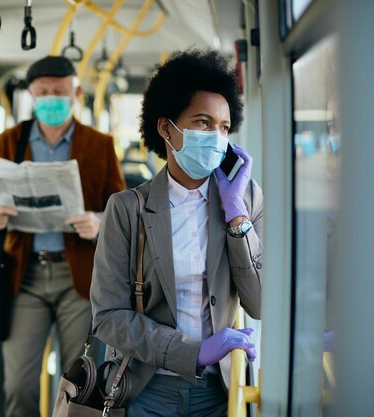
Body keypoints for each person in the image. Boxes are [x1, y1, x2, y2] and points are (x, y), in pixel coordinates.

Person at [90, 48, 264, 416]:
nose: (216, 137)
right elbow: (107, 316)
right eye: (202, 122)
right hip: (146, 388)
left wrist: (236, 216)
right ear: (166, 128)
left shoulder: (245, 200)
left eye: (223, 127)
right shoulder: (127, 209)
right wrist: (192, 351)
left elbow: (262, 301)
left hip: (220, 390)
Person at [0, 55, 126, 417]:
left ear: (75, 92)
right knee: (18, 385)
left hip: (78, 278)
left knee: (79, 386)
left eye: (58, 92)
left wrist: (98, 221)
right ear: (31, 93)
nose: (50, 99)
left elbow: (121, 211)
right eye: (42, 92)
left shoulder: (99, 144)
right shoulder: (8, 141)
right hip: (23, 275)